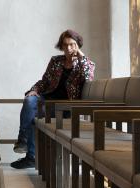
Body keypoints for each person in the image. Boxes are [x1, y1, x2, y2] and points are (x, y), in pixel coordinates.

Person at [11, 29, 95, 169]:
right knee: (29, 100)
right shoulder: (56, 61)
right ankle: (23, 140)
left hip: (66, 107)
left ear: (78, 45)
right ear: (61, 46)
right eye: (65, 45)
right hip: (48, 100)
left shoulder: (85, 63)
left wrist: (81, 56)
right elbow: (45, 81)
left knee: (34, 115)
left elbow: (88, 77)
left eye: (72, 44)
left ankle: (31, 157)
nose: (69, 48)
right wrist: (34, 90)